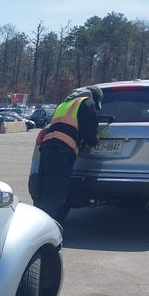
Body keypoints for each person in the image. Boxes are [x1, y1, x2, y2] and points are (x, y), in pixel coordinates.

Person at [34, 85, 103, 222]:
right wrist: (94, 141)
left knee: (44, 189)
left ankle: (38, 221)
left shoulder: (64, 105)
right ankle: (44, 228)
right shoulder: (86, 103)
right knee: (56, 193)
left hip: (47, 148)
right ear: (93, 97)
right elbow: (90, 131)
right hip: (62, 151)